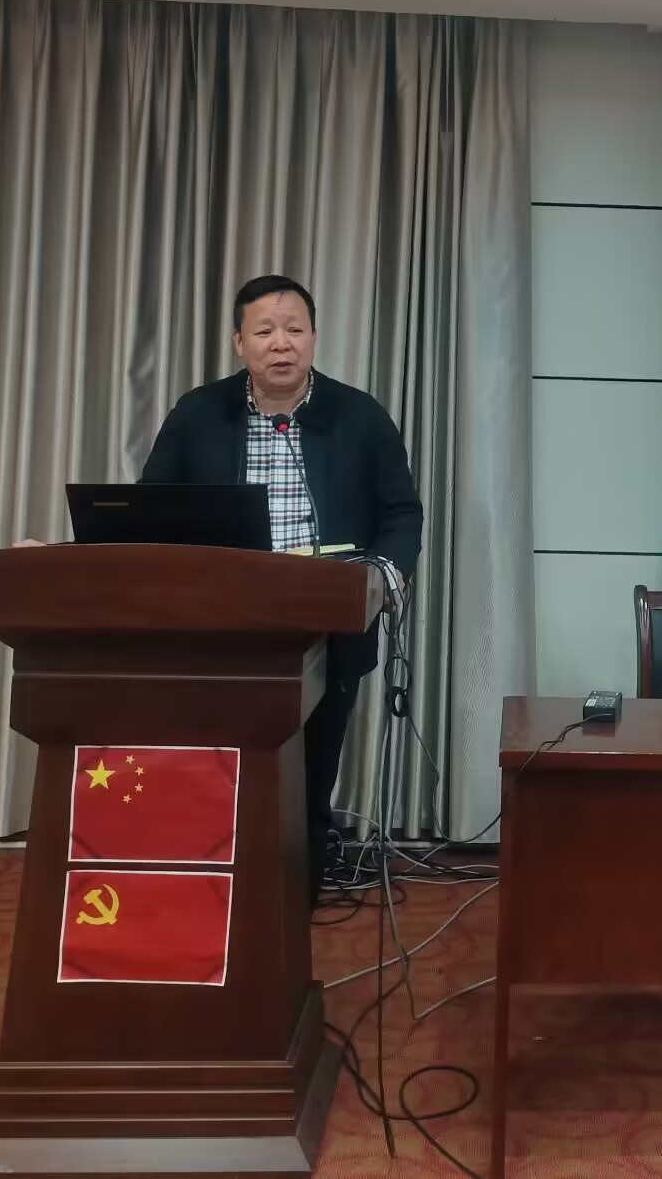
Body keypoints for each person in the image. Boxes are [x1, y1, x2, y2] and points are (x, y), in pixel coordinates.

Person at [140, 273, 423, 892]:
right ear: (239, 342)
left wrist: (382, 578)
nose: (281, 343)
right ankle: (214, 883)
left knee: (314, 761)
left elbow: (401, 513)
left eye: (294, 329)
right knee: (217, 762)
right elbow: (150, 510)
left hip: (327, 619)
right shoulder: (198, 414)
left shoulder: (360, 416)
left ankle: (300, 883)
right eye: (265, 331)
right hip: (221, 623)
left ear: (314, 337)